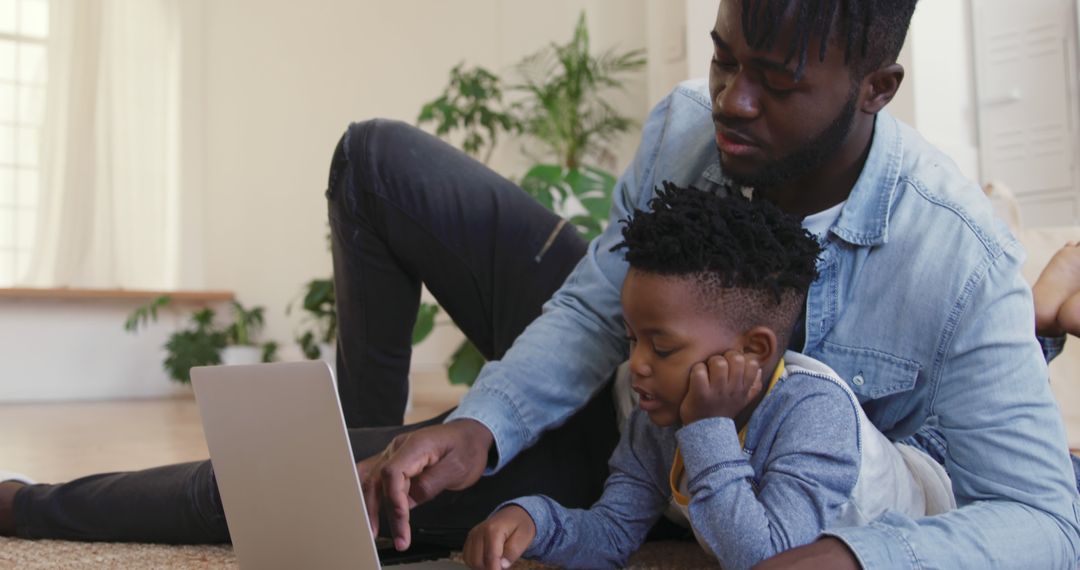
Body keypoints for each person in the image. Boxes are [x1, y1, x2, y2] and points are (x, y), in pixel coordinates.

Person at [2, 0, 1079, 567]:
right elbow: (589, 304)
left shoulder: (958, 263)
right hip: (627, 382)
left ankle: (36, 507)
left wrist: (851, 555)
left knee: (242, 499)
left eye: (775, 81)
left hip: (652, 475)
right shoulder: (688, 136)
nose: (732, 102)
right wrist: (480, 423)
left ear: (877, 88)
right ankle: (375, 463)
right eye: (722, 58)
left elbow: (1044, 522)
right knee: (377, 160)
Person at [462, 185, 955, 570]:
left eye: (664, 346)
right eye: (633, 339)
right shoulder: (658, 413)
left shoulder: (813, 415)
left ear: (754, 350)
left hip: (932, 494)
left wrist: (706, 429)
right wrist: (535, 521)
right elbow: (613, 535)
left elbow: (767, 561)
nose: (637, 364)